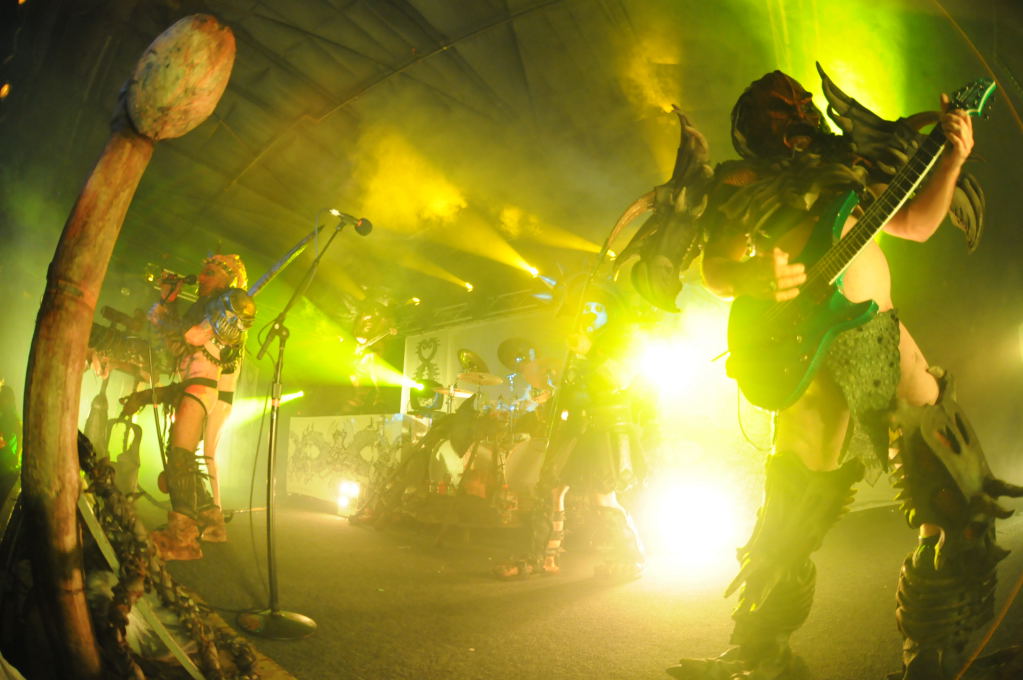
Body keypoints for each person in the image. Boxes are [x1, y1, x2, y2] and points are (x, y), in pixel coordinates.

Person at [666, 69, 1021, 679]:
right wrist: (750, 277)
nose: (797, 108)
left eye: (800, 99)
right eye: (777, 105)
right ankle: (760, 654)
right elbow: (717, 269)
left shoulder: (847, 165)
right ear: (749, 125)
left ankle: (934, 653)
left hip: (883, 330)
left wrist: (952, 160)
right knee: (795, 506)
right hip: (810, 344)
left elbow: (915, 225)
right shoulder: (738, 181)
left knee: (955, 481)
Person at [495, 278, 650, 579]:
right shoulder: (577, 345)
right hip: (575, 425)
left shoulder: (625, 340)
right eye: (586, 308)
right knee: (551, 488)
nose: (590, 313)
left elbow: (618, 379)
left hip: (605, 427)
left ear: (611, 312)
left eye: (597, 308)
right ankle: (544, 556)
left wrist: (589, 351)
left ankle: (631, 559)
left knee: (602, 495)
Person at [143, 254, 254, 560]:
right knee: (186, 460)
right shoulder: (203, 307)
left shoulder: (228, 304)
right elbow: (177, 345)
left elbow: (193, 335)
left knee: (180, 459)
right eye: (202, 272)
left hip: (201, 386)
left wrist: (165, 316)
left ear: (227, 278)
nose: (201, 278)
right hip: (193, 385)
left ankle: (182, 538)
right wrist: (167, 303)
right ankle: (211, 522)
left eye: (210, 272)